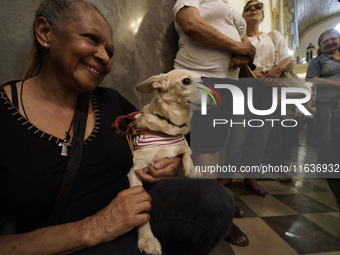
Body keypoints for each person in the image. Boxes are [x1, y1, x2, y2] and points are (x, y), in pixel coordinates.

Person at [0, 1, 235, 254]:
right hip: (60, 244)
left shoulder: (111, 102)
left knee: (213, 199)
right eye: (91, 38)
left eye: (109, 52)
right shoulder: (6, 115)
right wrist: (93, 227)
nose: (103, 57)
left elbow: (161, 134)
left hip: (134, 224)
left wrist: (170, 160)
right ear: (45, 32)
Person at [173, 0, 256, 247]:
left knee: (213, 148)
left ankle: (213, 207)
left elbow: (248, 44)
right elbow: (192, 25)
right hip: (199, 78)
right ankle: (212, 216)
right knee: (202, 149)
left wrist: (246, 50)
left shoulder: (229, 7)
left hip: (225, 84)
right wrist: (238, 47)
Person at [221, 0, 295, 196]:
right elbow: (236, 58)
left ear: (262, 15)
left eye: (257, 7)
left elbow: (288, 59)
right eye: (248, 8)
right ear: (243, 16)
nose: (253, 9)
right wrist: (258, 76)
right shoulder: (239, 36)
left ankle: (250, 175)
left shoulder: (273, 35)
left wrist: (276, 71)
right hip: (245, 88)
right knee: (238, 133)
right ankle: (228, 173)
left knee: (260, 136)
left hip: (270, 90)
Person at [306, 29, 340, 164]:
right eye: (325, 41)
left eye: (333, 39)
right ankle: (325, 166)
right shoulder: (317, 61)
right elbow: (312, 79)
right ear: (320, 46)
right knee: (326, 135)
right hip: (327, 102)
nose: (330, 43)